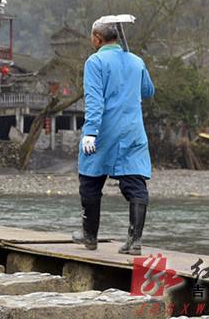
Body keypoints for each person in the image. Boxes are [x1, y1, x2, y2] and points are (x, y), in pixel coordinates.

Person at [72, 18, 155, 256]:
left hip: (105, 131)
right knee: (135, 184)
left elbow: (95, 101)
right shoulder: (136, 60)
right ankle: (134, 241)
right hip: (132, 131)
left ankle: (89, 236)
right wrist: (135, 69)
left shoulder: (95, 61)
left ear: (97, 38)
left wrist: (89, 133)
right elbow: (148, 91)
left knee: (90, 180)